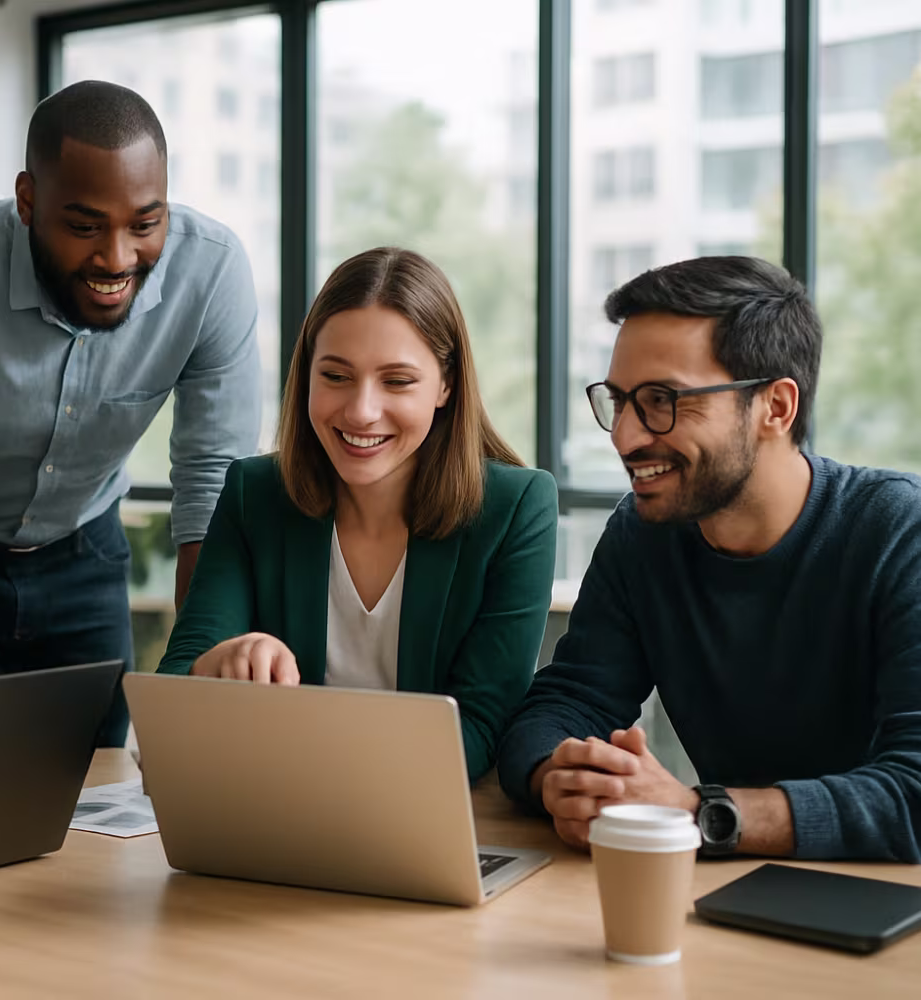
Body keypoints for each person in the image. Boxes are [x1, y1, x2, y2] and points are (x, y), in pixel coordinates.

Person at [0, 80, 260, 746]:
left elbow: (212, 491)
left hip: (86, 556)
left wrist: (196, 682)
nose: (117, 258)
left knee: (90, 802)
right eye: (85, 226)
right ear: (27, 200)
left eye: (145, 225)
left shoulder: (211, 274)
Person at [496, 255, 921, 862]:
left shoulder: (900, 533)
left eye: (662, 400)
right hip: (736, 897)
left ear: (775, 407)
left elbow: (915, 795)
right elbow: (568, 702)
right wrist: (561, 779)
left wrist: (702, 814)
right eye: (618, 401)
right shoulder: (644, 534)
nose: (625, 437)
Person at [157, 247, 557, 781]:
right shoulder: (254, 493)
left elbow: (481, 728)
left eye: (397, 381)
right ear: (307, 378)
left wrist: (314, 761)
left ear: (446, 385)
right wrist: (219, 662)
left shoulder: (517, 509)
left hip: (426, 820)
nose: (361, 411)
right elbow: (176, 687)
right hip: (274, 816)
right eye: (337, 376)